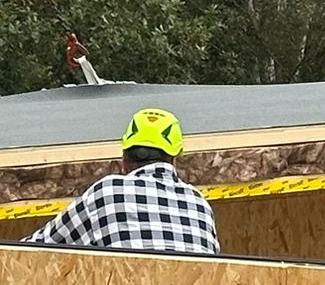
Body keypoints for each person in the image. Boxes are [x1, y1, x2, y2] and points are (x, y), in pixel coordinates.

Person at [25, 107, 220, 254]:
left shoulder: (107, 192)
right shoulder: (199, 203)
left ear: (124, 161)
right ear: (174, 159)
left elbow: (30, 250)